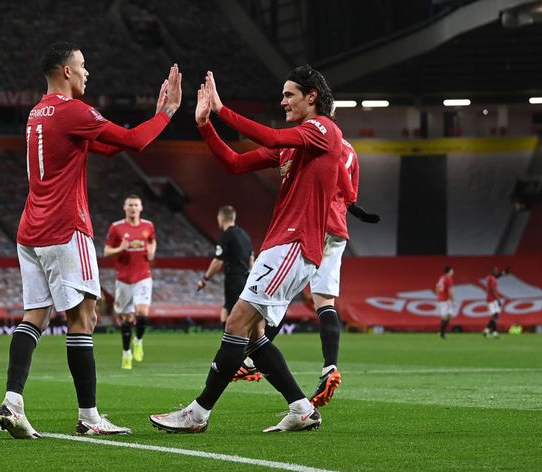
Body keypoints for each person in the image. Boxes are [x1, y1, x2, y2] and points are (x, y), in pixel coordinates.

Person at [0, 41, 182, 439]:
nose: (87, 73)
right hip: (66, 227)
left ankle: (12, 401)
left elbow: (107, 148)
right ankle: (90, 417)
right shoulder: (74, 111)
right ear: (65, 71)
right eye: (82, 66)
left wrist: (151, 118)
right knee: (83, 319)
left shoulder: (36, 115)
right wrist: (165, 114)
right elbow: (131, 142)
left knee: (35, 316)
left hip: (30, 229)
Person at [150, 65, 342, 433]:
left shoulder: (323, 130)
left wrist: (223, 110)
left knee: (236, 321)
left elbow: (270, 137)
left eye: (289, 95)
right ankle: (302, 409)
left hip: (293, 243)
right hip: (280, 245)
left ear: (312, 96)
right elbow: (235, 163)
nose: (282, 101)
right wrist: (205, 125)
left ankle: (198, 413)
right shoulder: (297, 146)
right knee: (253, 337)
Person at [262, 136, 380, 407]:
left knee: (283, 293)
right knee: (325, 302)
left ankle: (249, 357)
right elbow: (351, 191)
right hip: (338, 229)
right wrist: (355, 209)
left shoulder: (318, 138)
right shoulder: (351, 150)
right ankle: (330, 367)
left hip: (312, 222)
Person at [197, 206, 258, 381]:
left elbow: (218, 261)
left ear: (220, 218)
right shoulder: (245, 235)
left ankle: (234, 354)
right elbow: (251, 260)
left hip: (234, 278)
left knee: (233, 316)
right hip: (246, 278)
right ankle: (233, 351)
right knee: (226, 310)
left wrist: (205, 279)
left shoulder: (227, 235)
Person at [104, 195, 156, 369]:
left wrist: (151, 252)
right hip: (124, 279)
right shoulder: (116, 228)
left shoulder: (148, 226)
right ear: (125, 208)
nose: (133, 208)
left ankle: (138, 340)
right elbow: (106, 251)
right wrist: (120, 249)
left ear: (141, 208)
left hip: (143, 276)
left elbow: (152, 241)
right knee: (126, 317)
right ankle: (126, 353)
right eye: (130, 205)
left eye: (136, 205)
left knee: (142, 313)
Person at [483, 266, 507, 338]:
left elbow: (496, 277)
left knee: (495, 315)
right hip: (492, 299)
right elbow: (493, 290)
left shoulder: (489, 278)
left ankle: (487, 330)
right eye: (496, 270)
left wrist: (502, 273)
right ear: (492, 271)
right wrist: (498, 300)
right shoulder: (492, 279)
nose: (497, 271)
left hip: (490, 299)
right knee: (494, 316)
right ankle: (494, 332)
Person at [436, 266, 455, 339]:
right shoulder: (448, 278)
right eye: (452, 271)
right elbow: (450, 290)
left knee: (449, 315)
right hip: (445, 300)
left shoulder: (441, 278)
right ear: (449, 271)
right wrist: (453, 300)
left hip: (443, 299)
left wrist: (438, 296)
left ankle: (443, 332)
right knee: (445, 316)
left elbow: (437, 287)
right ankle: (442, 333)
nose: (453, 273)